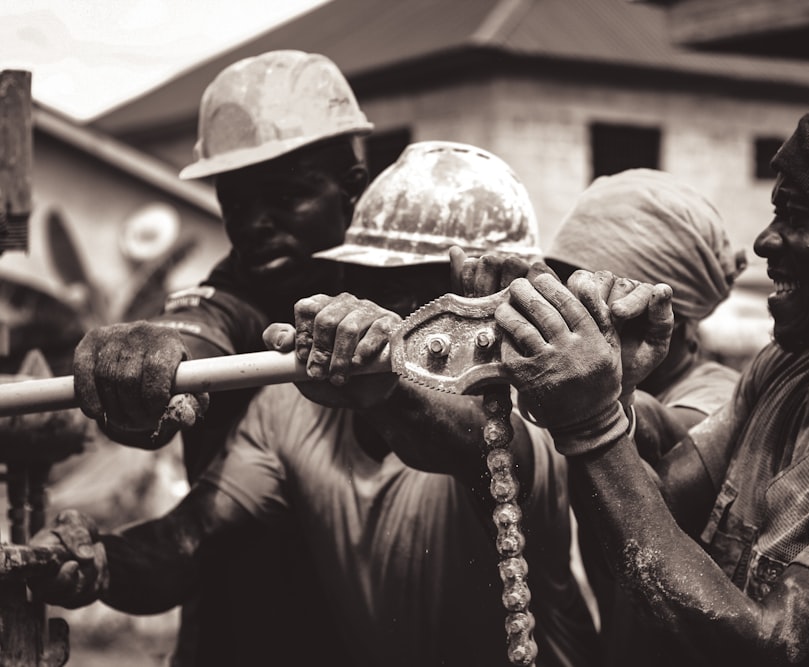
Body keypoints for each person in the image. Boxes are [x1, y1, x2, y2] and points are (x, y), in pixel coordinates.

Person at [31, 142, 600, 667]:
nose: (400, 308)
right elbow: (194, 541)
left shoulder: (535, 402)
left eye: (433, 293)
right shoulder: (292, 411)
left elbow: (473, 448)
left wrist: (387, 390)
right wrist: (97, 563)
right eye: (375, 278)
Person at [493, 82, 809, 665]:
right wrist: (612, 390)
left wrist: (592, 421)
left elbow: (765, 648)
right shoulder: (792, 366)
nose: (764, 241)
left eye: (798, 216)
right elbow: (643, 528)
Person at [69, 50, 373, 665]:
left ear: (352, 189)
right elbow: (194, 329)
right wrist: (146, 355)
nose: (256, 223)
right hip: (239, 631)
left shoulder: (400, 295)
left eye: (287, 196)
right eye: (235, 201)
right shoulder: (232, 293)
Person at [544, 168, 745, 664]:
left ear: (653, 304)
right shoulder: (597, 390)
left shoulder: (716, 400)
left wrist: (600, 398)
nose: (565, 306)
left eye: (586, 291)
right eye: (562, 282)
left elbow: (660, 437)